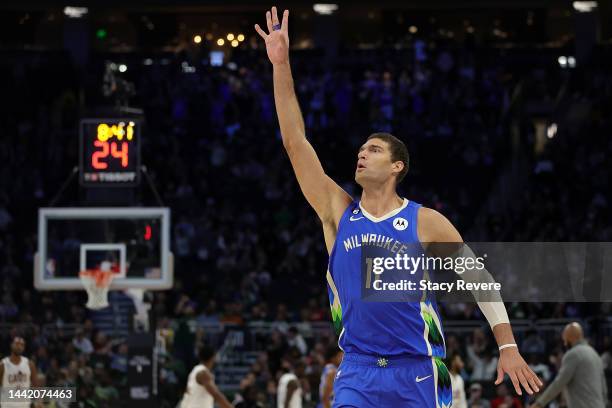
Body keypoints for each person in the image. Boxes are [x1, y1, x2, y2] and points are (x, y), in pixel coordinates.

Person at [255, 6, 542, 407]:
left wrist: (507, 344)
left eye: (372, 150)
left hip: (419, 370)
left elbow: (480, 279)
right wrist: (281, 65)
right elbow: (294, 142)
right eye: (360, 149)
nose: (361, 154)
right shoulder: (339, 211)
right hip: (357, 369)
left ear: (396, 166)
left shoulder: (426, 221)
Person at [529, 322, 608, 408]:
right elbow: (603, 387)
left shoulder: (573, 354)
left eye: (565, 340)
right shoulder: (594, 354)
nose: (565, 343)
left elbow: (559, 383)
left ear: (569, 338)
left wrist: (539, 403)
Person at [0, 337, 39, 408]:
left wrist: (38, 401)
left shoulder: (30, 364)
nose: (19, 347)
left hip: (24, 405)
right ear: (11, 345)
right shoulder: (3, 364)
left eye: (22, 345)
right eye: (17, 344)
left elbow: (36, 385)